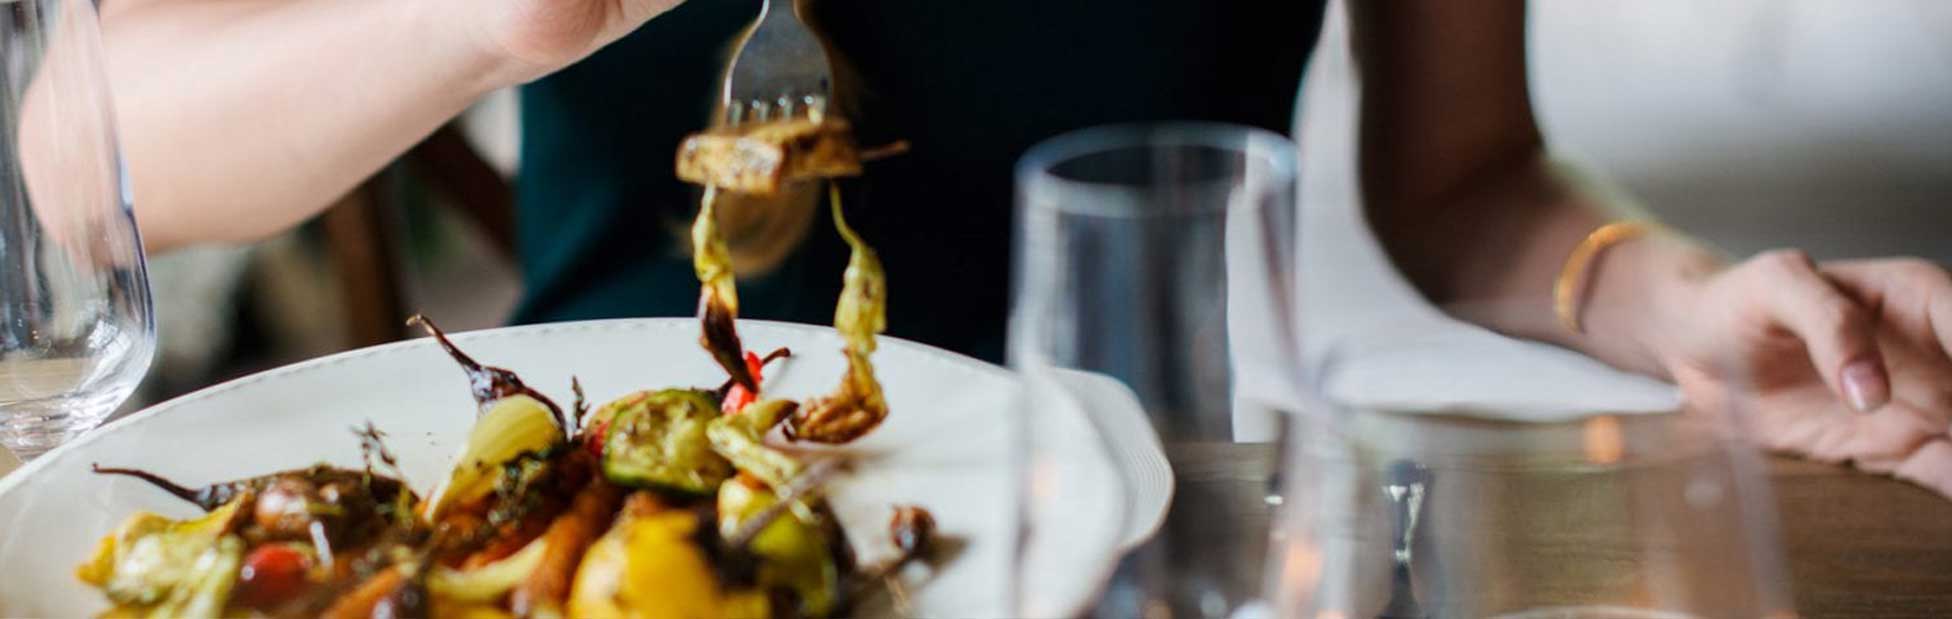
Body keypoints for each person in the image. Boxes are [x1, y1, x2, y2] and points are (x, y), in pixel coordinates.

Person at [101, 0, 1952, 496]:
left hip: (1126, 528)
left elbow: (1466, 182)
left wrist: (1686, 307)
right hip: (584, 515)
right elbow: (70, 158)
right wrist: (476, 23)